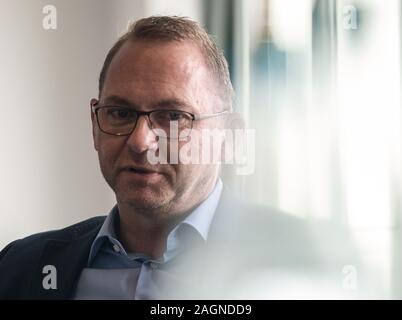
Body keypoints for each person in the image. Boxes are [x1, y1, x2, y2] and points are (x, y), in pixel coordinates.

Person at [0, 16, 357, 300]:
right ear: (95, 126)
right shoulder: (21, 268)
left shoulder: (303, 262)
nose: (141, 141)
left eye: (172, 117)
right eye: (121, 113)